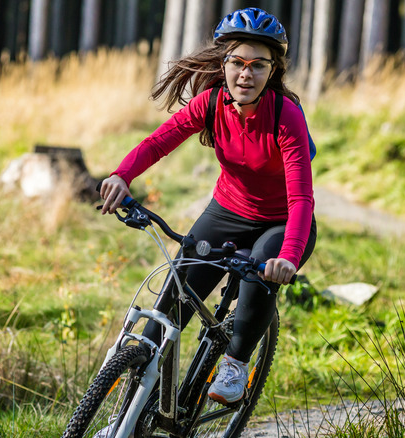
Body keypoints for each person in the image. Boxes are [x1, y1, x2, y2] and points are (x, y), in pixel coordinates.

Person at [99, 7, 316, 406]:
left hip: (281, 221)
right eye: (237, 63)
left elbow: (302, 197)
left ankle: (235, 363)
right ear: (224, 64)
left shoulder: (285, 116)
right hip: (227, 211)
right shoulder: (211, 102)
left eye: (258, 65)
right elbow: (158, 142)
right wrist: (121, 175)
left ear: (273, 71)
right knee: (169, 309)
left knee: (259, 272)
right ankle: (126, 419)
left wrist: (288, 256)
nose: (246, 74)